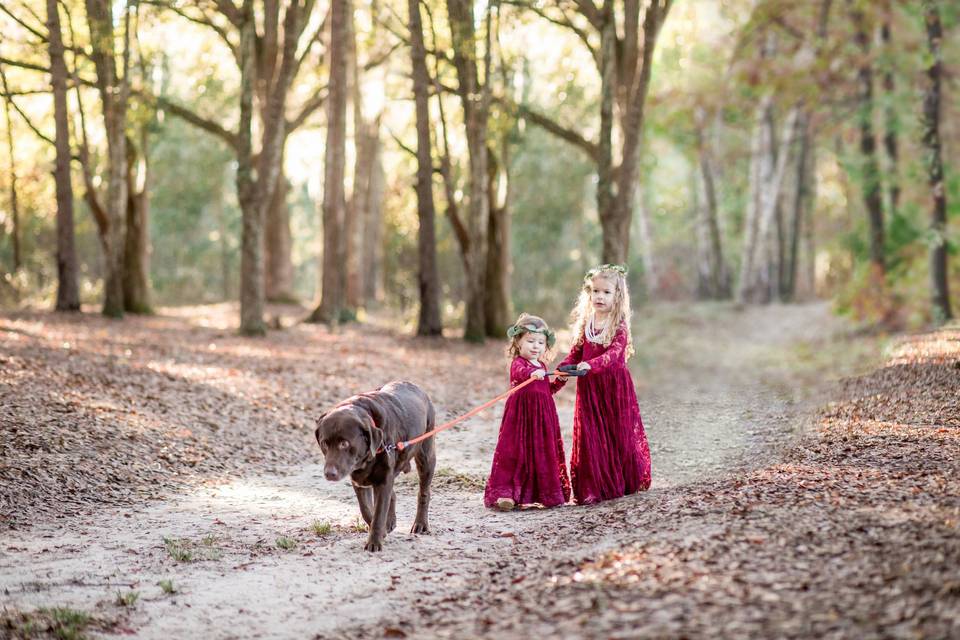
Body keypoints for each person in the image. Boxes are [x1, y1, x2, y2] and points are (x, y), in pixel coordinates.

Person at [554, 264, 652, 504]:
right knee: (592, 435)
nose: (599, 296)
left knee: (617, 433)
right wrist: (562, 370)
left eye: (606, 292)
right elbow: (575, 354)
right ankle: (594, 488)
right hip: (590, 390)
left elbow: (615, 354)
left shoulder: (618, 324)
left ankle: (623, 481)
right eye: (595, 291)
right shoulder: (587, 322)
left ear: (617, 296)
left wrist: (592, 365)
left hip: (613, 388)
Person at [484, 313, 571, 511]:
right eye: (530, 341)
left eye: (540, 342)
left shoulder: (542, 365)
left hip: (542, 418)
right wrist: (531, 373)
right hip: (520, 417)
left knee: (541, 452)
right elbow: (520, 374)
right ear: (518, 342)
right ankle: (506, 494)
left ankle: (546, 494)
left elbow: (547, 390)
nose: (535, 346)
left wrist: (560, 380)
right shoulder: (519, 364)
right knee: (513, 452)